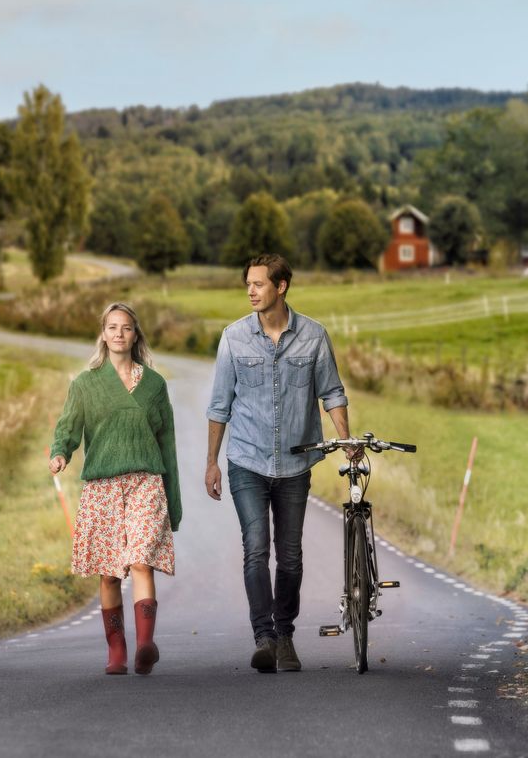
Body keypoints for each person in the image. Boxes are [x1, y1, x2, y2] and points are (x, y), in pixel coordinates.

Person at [205, 253, 357, 674]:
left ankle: (285, 634)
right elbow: (220, 406)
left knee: (289, 556)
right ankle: (264, 639)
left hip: (295, 465)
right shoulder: (233, 338)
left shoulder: (313, 336)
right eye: (248, 284)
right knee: (256, 549)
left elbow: (333, 393)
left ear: (281, 286)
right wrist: (212, 463)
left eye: (259, 284)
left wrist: (345, 439)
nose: (251, 291)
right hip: (247, 462)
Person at [49, 302, 181, 676]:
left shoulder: (155, 386)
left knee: (141, 561)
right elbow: (68, 428)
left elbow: (167, 444)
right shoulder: (85, 384)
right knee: (108, 573)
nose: (119, 333)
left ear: (135, 335)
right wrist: (61, 453)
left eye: (126, 327)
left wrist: (174, 501)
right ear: (103, 335)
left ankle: (144, 645)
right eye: (112, 327)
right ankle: (117, 648)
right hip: (102, 487)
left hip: (145, 483)